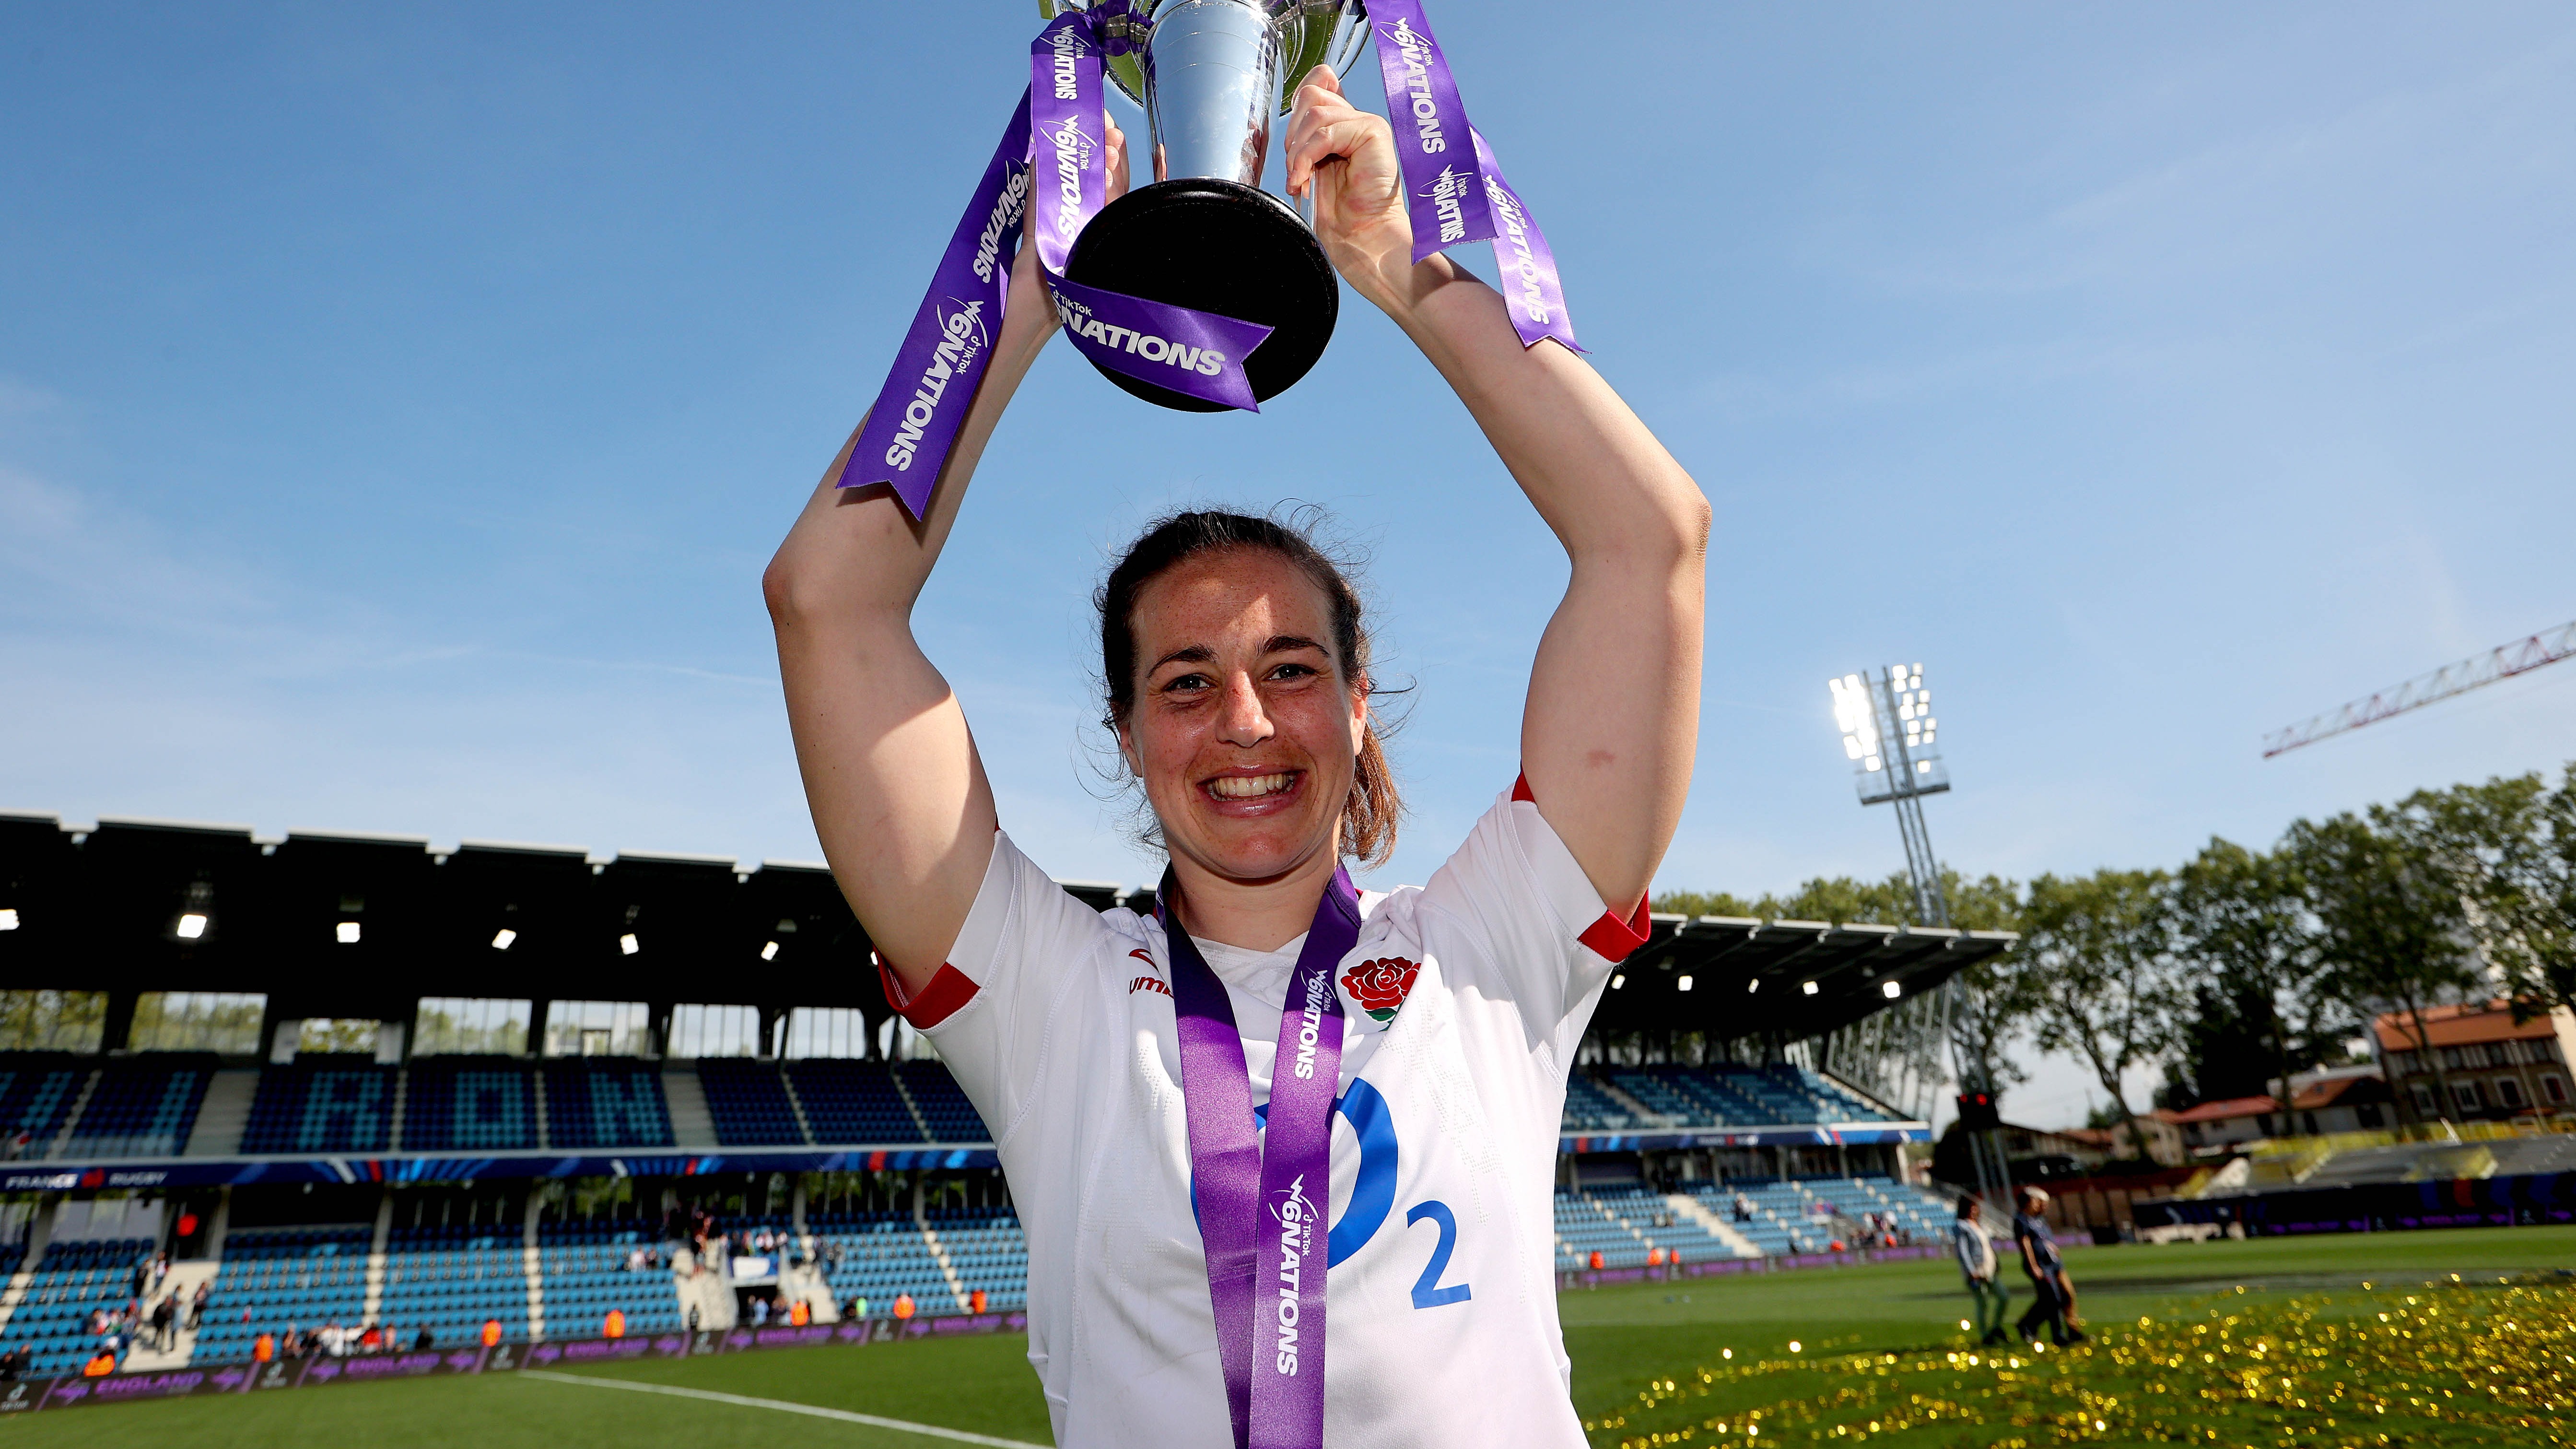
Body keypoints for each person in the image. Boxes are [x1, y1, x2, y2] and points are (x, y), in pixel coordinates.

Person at [765, 59, 1704, 1447]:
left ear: (1359, 703)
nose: (1247, 723)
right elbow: (824, 600)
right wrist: (1030, 293)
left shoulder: (1492, 942)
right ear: (1127, 731)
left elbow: (1651, 542)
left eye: (1289, 670)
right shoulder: (1049, 992)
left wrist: (1400, 269)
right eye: (1187, 681)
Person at [2011, 1188, 2085, 1346]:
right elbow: (2026, 1244)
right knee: (2053, 1299)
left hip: (2053, 1263)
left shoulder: (2038, 1220)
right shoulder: (2021, 1220)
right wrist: (2034, 1266)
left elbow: (2043, 1239)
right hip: (2041, 1265)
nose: (2039, 1205)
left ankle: (2029, 1325)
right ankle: (2056, 1335)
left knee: (2058, 1297)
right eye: (2036, 1201)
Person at [1953, 1198, 2008, 1346]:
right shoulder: (1962, 1226)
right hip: (1977, 1271)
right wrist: (1971, 1271)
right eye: (1971, 1208)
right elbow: (1963, 1251)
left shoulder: (1979, 1225)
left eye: (1975, 1208)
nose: (1974, 1211)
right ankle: (1985, 1335)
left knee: (2003, 1297)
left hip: (1989, 1269)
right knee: (1982, 1303)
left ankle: (1996, 1326)